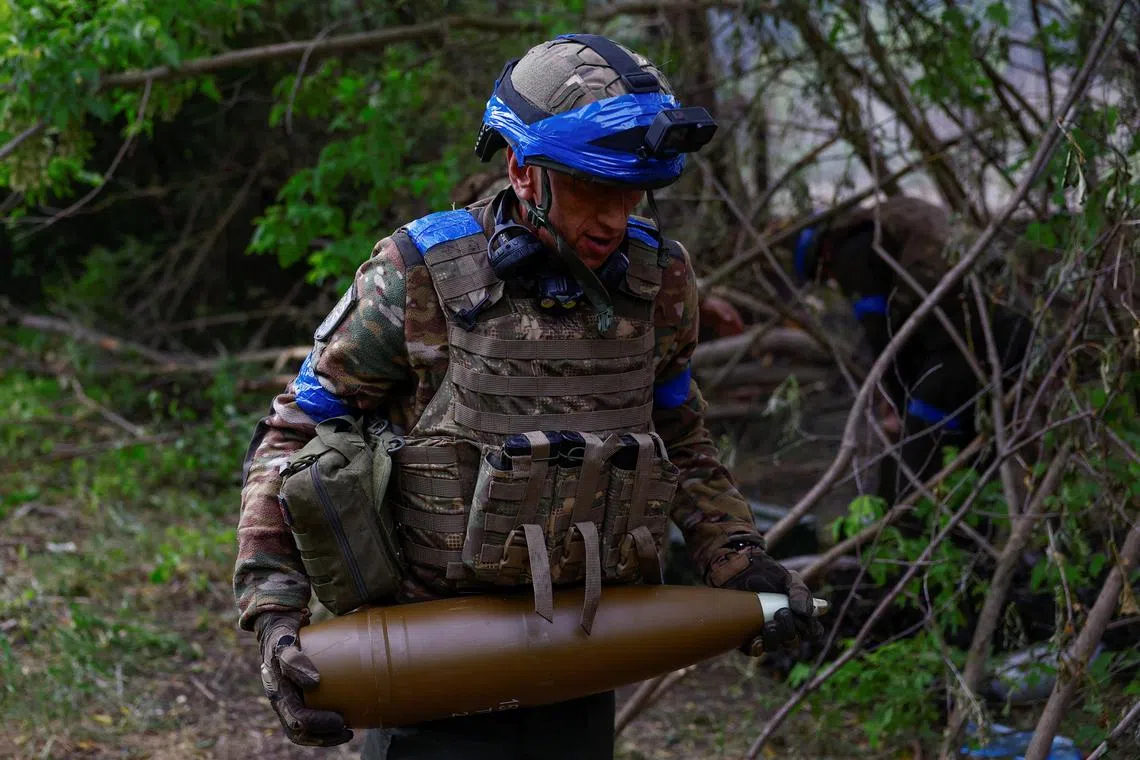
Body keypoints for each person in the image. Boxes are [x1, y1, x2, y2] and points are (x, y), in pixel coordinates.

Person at [235, 34, 823, 759]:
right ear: (520, 168)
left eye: (631, 192)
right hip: (426, 665)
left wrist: (737, 558)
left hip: (582, 658)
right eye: (591, 189)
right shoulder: (419, 276)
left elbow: (680, 439)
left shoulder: (659, 282)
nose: (614, 218)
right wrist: (274, 616)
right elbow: (289, 437)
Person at [792, 196, 1032, 504]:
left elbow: (882, 334)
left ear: (823, 255)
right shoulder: (888, 225)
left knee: (923, 433)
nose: (834, 282)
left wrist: (897, 399)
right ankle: (966, 536)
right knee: (971, 438)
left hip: (977, 336)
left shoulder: (854, 249)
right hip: (1005, 329)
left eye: (825, 277)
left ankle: (908, 532)